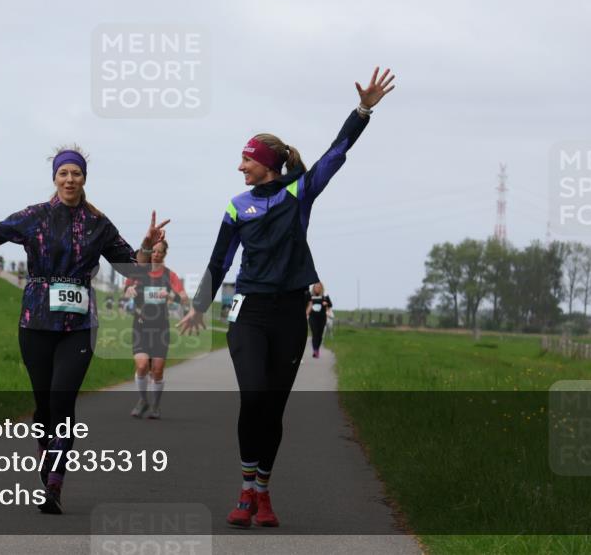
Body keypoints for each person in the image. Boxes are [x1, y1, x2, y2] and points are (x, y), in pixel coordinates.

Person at [179, 67, 395, 529]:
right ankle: (243, 489)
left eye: (247, 160)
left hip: (289, 316)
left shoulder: (299, 194)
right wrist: (199, 307)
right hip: (250, 312)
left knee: (273, 407)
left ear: (268, 163)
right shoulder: (237, 206)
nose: (240, 167)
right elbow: (219, 262)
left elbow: (336, 152)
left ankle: (262, 491)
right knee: (253, 396)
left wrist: (362, 111)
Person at [0, 146, 167, 514]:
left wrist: (145, 246)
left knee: (63, 399)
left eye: (76, 173)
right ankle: (48, 456)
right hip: (36, 322)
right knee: (44, 406)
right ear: (55, 179)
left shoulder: (98, 224)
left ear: (84, 179)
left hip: (79, 325)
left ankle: (54, 484)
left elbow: (131, 268)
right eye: (64, 173)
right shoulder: (36, 216)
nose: (70, 179)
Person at [124, 239, 189, 419]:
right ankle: (143, 400)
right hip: (141, 325)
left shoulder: (170, 275)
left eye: (160, 251)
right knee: (143, 364)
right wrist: (129, 291)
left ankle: (155, 405)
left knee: (158, 370)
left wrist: (171, 295)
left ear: (164, 254)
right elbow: (126, 289)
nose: (156, 254)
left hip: (161, 327)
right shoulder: (138, 273)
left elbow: (184, 299)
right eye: (153, 251)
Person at [306, 282, 333, 358]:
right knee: (315, 333)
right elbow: (307, 305)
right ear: (313, 288)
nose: (317, 288)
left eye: (319, 287)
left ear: (321, 288)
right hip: (313, 318)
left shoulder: (325, 297)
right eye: (316, 287)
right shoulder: (310, 296)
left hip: (322, 318)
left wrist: (326, 304)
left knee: (320, 335)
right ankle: (315, 350)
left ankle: (317, 348)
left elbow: (330, 305)